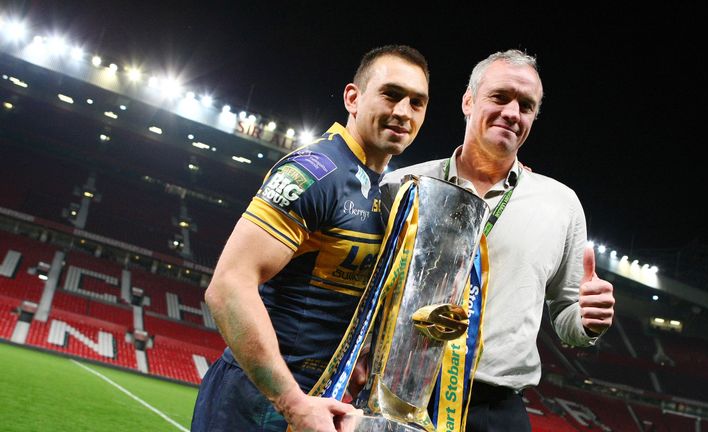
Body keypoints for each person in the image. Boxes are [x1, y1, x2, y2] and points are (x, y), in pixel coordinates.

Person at [191, 45, 430, 432]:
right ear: (353, 98)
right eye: (391, 94)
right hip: (263, 401)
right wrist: (292, 402)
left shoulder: (386, 192)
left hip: (320, 399)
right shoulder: (314, 171)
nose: (404, 111)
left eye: (417, 102)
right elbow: (228, 286)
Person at [381, 49, 615, 432]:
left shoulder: (561, 205)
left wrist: (589, 320)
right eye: (500, 96)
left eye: (526, 105)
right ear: (468, 100)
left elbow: (567, 319)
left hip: (497, 412)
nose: (512, 112)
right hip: (402, 392)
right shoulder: (403, 187)